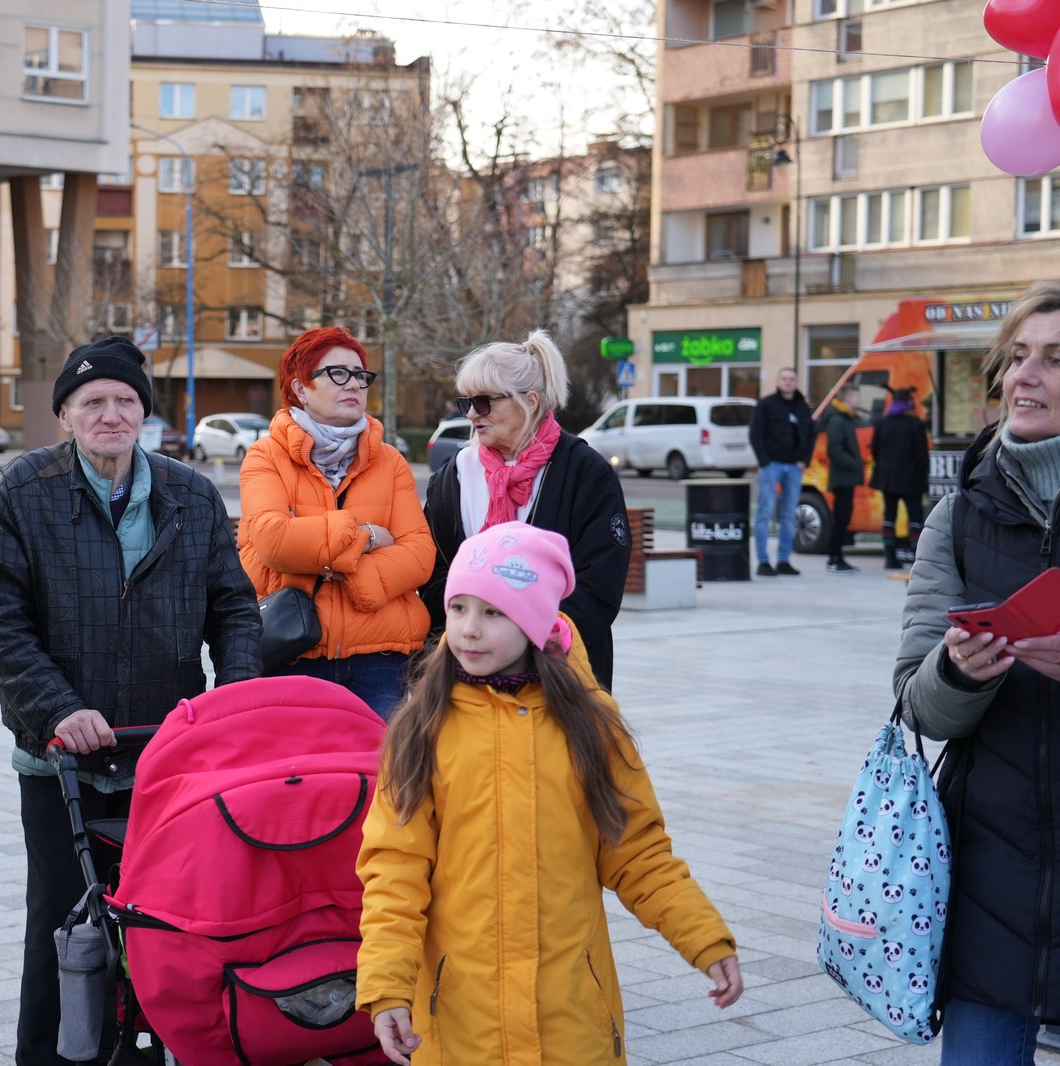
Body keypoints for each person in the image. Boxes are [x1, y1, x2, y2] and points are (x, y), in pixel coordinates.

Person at [355, 521, 743, 1065]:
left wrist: (703, 938)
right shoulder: (423, 728)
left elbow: (639, 854)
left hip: (570, 1016)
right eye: (459, 607)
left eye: (493, 612)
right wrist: (386, 986)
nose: (468, 629)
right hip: (461, 1022)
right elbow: (394, 869)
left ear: (535, 620)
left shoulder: (592, 726)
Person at [0, 336, 261, 1066]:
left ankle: (148, 1052)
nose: (111, 414)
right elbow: (1, 619)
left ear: (145, 412)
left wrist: (235, 700)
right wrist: (55, 711)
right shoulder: (23, 489)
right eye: (92, 402)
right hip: (60, 760)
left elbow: (232, 607)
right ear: (65, 414)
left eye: (125, 400)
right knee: (62, 923)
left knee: (165, 927)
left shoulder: (189, 493)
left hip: (168, 753)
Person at [894, 281, 1060, 1061]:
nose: (1024, 376)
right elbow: (917, 707)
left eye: (1055, 359)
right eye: (1016, 357)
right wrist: (961, 671)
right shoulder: (957, 515)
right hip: (989, 889)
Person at [238, 326, 434, 718]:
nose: (355, 384)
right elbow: (273, 542)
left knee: (380, 776)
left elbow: (420, 555)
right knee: (298, 777)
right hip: (295, 653)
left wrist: (331, 563)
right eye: (337, 373)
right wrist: (366, 538)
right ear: (301, 387)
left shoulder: (390, 461)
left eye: (360, 374)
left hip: (381, 661)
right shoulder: (265, 457)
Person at [421, 332, 630, 690]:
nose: (472, 414)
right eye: (466, 402)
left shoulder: (585, 472)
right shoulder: (453, 476)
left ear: (530, 401)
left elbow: (599, 584)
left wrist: (526, 644)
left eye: (484, 402)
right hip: (467, 673)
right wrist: (469, 636)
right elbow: (433, 571)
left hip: (561, 678)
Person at [749, 366, 815, 577]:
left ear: (796, 382)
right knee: (764, 513)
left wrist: (805, 460)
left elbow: (811, 434)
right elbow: (755, 433)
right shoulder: (766, 404)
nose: (788, 382)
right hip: (772, 466)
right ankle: (763, 561)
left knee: (788, 515)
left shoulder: (802, 407)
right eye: (784, 378)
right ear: (778, 381)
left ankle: (784, 560)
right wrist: (764, 461)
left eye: (791, 379)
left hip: (794, 467)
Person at [870, 386, 930, 570]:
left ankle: (889, 557)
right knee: (915, 518)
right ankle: (915, 558)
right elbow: (921, 456)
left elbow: (874, 450)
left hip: (888, 478)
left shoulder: (882, 423)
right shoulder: (915, 425)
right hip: (911, 479)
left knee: (889, 516)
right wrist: (924, 475)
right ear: (909, 404)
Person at [820, 382, 863, 574]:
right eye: (857, 396)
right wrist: (855, 463)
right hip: (842, 478)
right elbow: (834, 450)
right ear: (847, 398)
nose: (859, 400)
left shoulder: (845, 418)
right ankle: (834, 559)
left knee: (843, 518)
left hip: (846, 478)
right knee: (840, 518)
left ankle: (836, 557)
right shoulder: (838, 420)